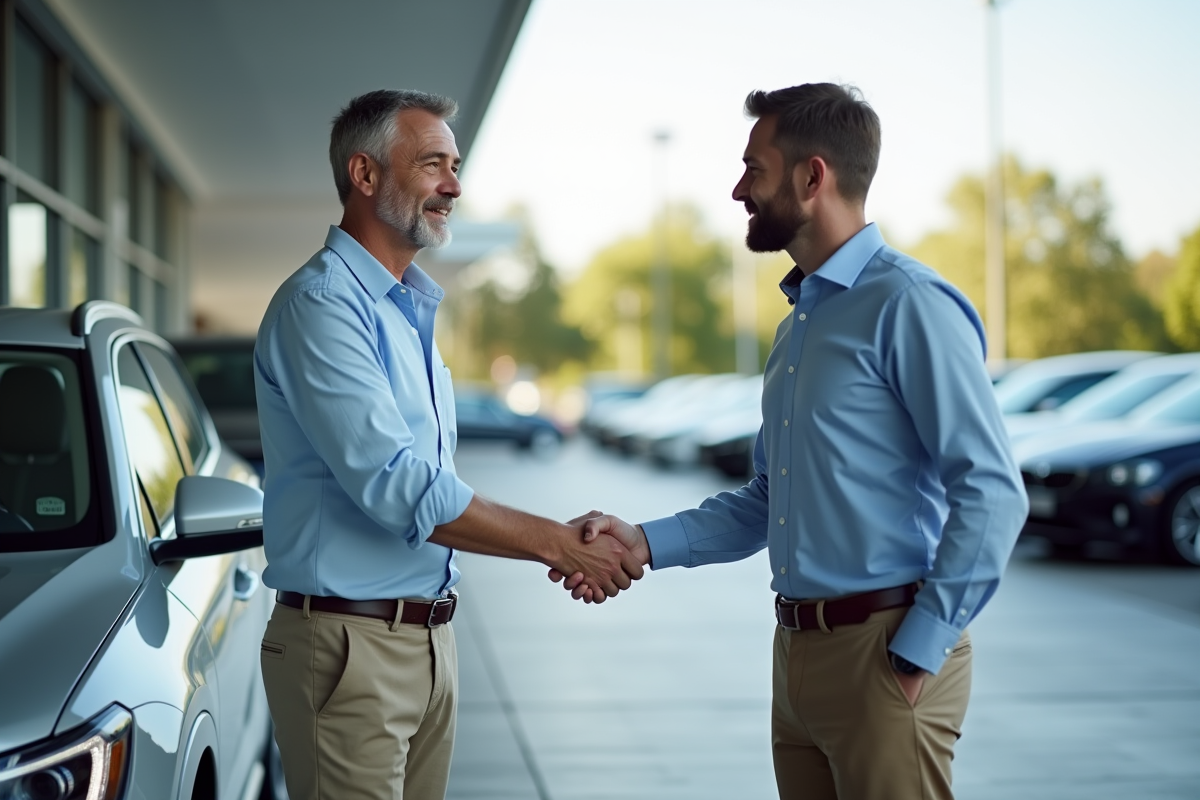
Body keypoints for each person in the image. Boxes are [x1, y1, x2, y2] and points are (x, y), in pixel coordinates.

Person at [556, 83, 1028, 799]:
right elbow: (767, 501)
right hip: (797, 654)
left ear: (813, 176)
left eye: (755, 167)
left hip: (886, 651)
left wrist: (921, 647)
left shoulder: (909, 304)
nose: (739, 187)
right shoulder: (798, 324)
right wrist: (640, 541)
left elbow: (992, 492)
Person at [254, 89, 643, 800]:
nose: (454, 186)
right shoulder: (321, 306)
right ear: (365, 175)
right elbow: (399, 486)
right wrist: (559, 543)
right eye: (433, 163)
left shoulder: (406, 314)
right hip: (349, 649)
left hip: (428, 639)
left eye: (455, 165)